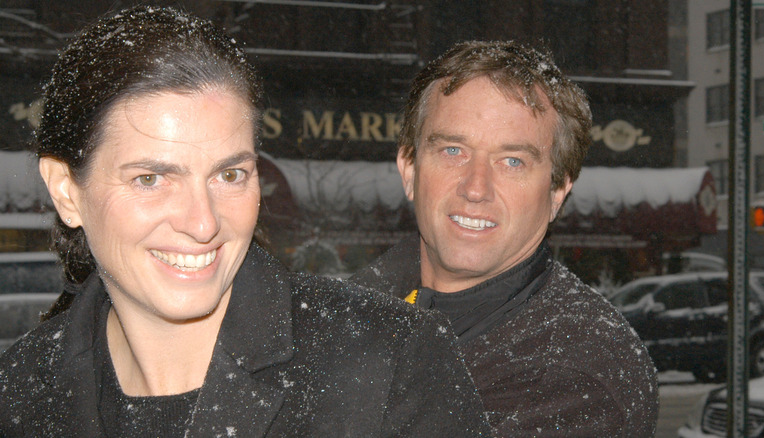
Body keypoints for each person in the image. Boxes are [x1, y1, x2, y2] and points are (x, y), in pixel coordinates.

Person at [0, 7, 491, 437]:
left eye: (230, 174)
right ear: (66, 191)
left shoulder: (389, 360)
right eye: (150, 178)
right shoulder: (18, 394)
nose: (203, 222)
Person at [351, 40, 659, 437]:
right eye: (452, 150)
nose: (476, 187)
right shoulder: (350, 310)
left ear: (556, 193)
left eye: (512, 161)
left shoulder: (576, 377)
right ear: (409, 169)